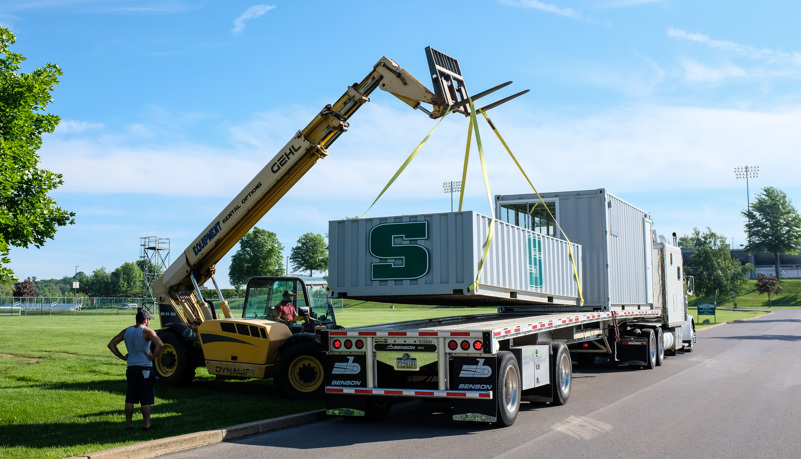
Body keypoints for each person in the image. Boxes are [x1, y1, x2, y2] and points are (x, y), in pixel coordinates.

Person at [107, 308, 163, 430]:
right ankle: (146, 425)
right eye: (149, 319)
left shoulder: (127, 331)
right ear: (145, 320)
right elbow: (160, 344)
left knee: (130, 397)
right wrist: (153, 357)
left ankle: (129, 425)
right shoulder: (147, 331)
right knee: (146, 398)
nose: (149, 322)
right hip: (145, 368)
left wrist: (122, 356)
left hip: (131, 367)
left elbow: (111, 344)